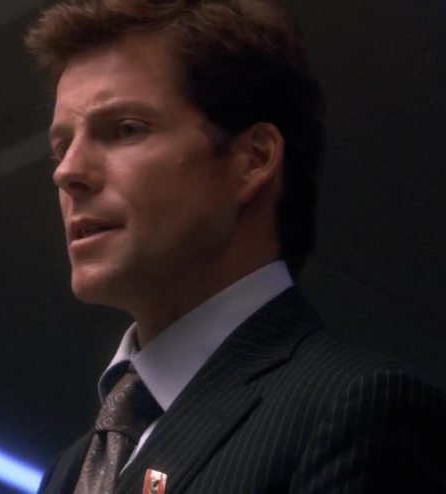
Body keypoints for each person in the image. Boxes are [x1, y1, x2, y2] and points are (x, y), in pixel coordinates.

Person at [24, 1, 445, 492]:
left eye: (125, 129)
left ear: (253, 158)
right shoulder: (70, 468)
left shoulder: (358, 408)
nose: (67, 171)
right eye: (61, 147)